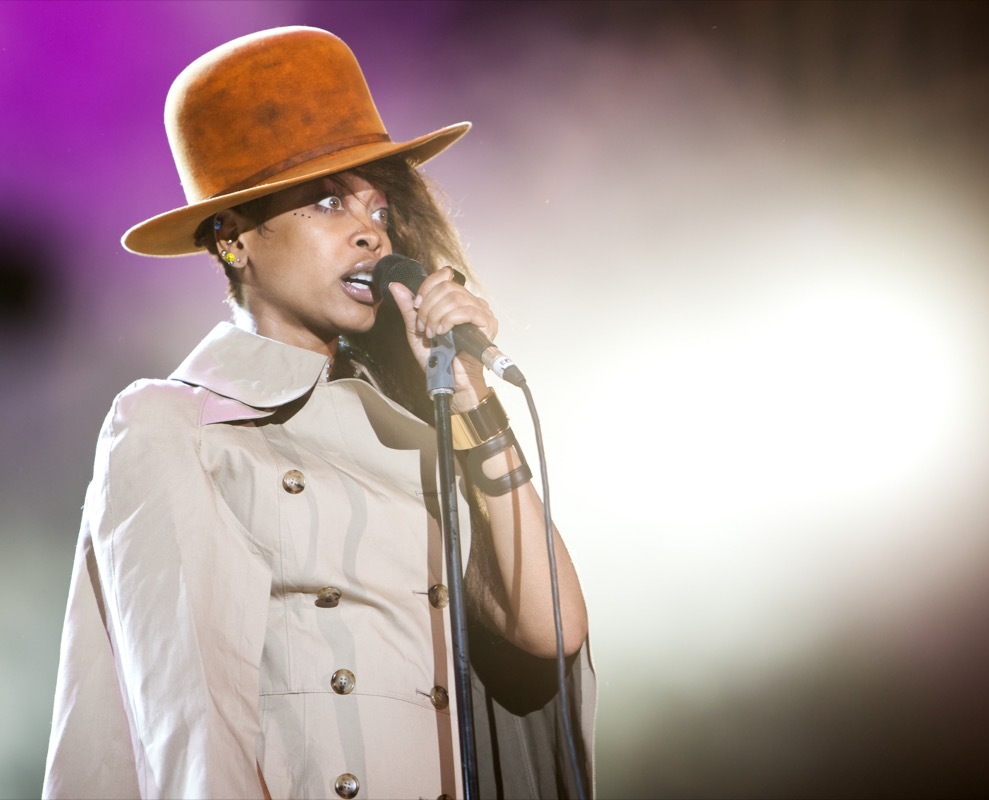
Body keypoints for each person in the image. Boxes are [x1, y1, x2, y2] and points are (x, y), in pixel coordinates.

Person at [42, 26, 595, 800]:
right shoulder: (174, 425)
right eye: (328, 202)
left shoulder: (423, 425)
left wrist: (472, 399)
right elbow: (194, 733)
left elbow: (552, 626)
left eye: (377, 204)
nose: (372, 230)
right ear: (233, 240)